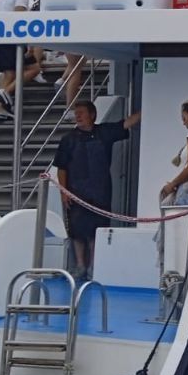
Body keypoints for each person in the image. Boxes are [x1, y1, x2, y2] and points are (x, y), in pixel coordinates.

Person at [54, 100, 141, 280]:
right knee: (76, 231)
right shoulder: (68, 139)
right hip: (75, 192)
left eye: (81, 112)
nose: (77, 116)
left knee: (97, 230)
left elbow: (127, 123)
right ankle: (80, 265)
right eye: (76, 113)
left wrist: (148, 106)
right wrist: (63, 191)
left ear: (92, 115)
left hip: (100, 190)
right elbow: (61, 168)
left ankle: (94, 266)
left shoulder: (104, 132)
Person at [0, 0, 42, 122]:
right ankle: (5, 93)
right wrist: (29, 46)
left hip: (0, 38)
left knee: (10, 73)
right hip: (13, 40)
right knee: (34, 69)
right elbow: (20, 21)